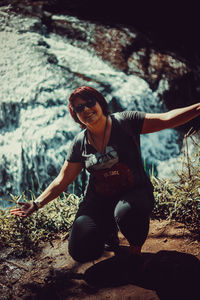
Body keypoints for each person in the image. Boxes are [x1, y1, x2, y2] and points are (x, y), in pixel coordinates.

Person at [10, 86, 200, 263]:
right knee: (81, 251)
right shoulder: (79, 143)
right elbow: (63, 179)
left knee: (127, 214)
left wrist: (197, 108)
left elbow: (167, 119)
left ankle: (135, 250)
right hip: (99, 199)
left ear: (100, 102)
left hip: (134, 191)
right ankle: (109, 231)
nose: (86, 109)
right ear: (75, 115)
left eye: (90, 102)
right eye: (79, 108)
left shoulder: (126, 122)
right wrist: (36, 204)